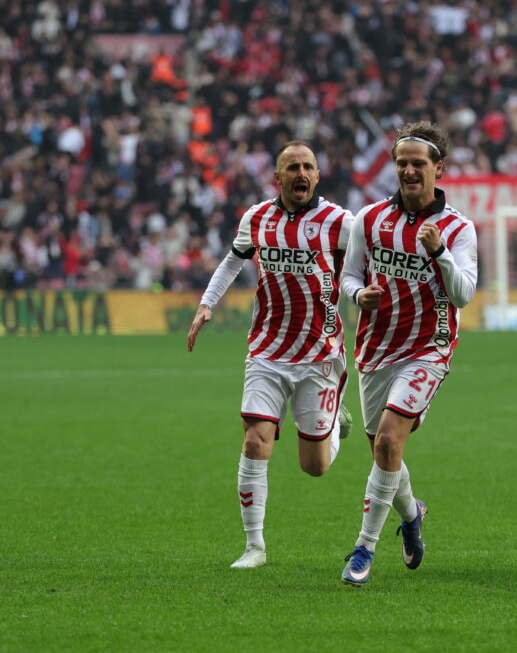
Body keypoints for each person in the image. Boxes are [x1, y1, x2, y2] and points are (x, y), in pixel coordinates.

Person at [188, 141, 354, 569]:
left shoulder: (340, 222)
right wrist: (208, 303)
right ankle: (254, 546)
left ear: (317, 176)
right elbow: (231, 262)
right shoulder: (257, 218)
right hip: (266, 349)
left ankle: (336, 422)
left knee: (314, 467)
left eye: (308, 167)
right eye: (292, 167)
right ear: (277, 177)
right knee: (254, 438)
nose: (301, 173)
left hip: (319, 354)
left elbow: (367, 266)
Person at [337, 121, 478, 586]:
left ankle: (363, 549)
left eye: (419, 164)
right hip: (376, 348)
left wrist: (440, 254)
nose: (410, 171)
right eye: (403, 164)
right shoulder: (370, 219)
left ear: (439, 168)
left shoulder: (457, 228)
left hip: (429, 348)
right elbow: (348, 278)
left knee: (389, 442)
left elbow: (463, 295)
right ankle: (411, 512)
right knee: (382, 450)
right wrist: (359, 298)